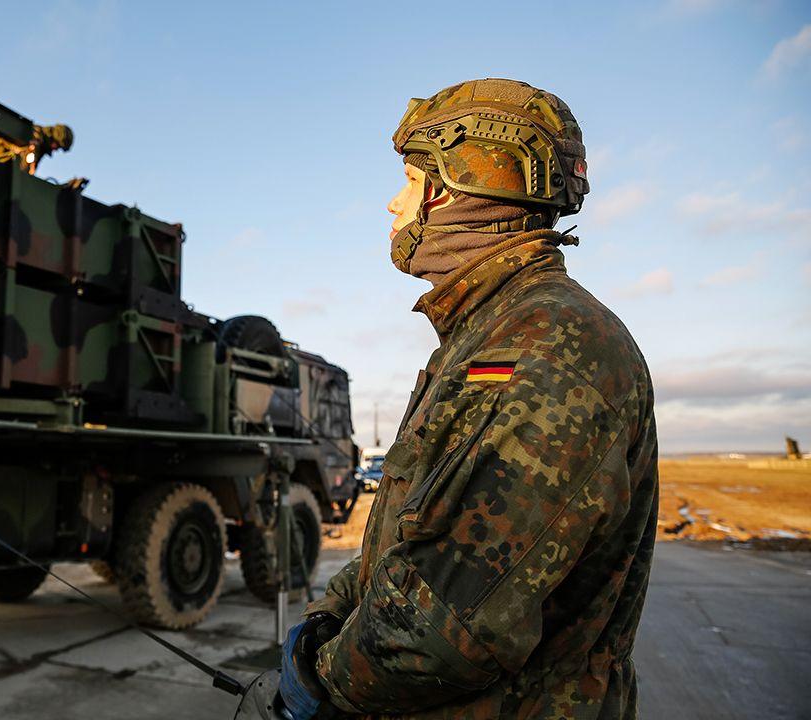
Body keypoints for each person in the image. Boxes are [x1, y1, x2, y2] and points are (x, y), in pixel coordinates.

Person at [277, 78, 659, 719]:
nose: (392, 205)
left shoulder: (546, 348)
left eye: (407, 181)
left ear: (449, 189)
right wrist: (328, 617)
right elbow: (411, 538)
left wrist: (320, 682)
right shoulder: (488, 333)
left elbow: (439, 634)